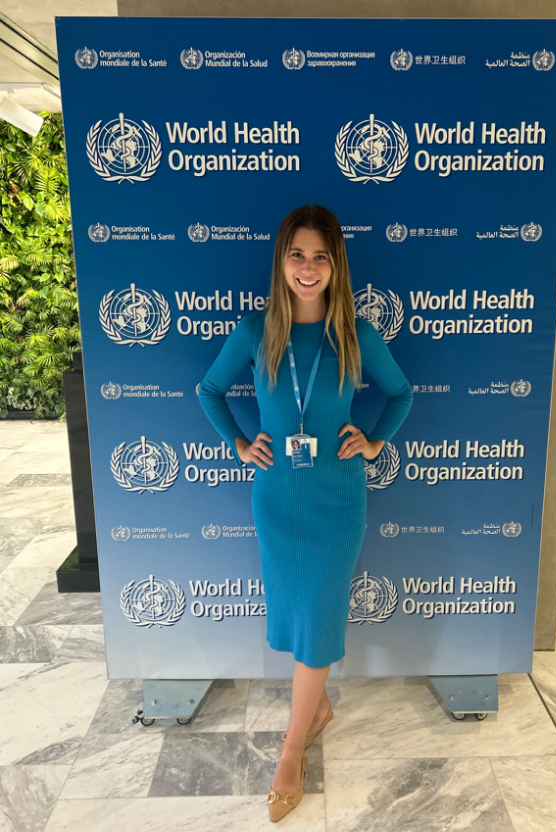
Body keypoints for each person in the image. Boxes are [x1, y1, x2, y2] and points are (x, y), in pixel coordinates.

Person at [198, 204, 413, 822]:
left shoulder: (355, 335)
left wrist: (374, 442)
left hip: (338, 498)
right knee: (296, 617)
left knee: (318, 619)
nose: (309, 267)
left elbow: (400, 392)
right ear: (281, 261)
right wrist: (239, 444)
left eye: (322, 256)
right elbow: (210, 390)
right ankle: (316, 712)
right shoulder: (257, 330)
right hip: (277, 499)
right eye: (298, 254)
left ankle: (291, 751)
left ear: (336, 264)